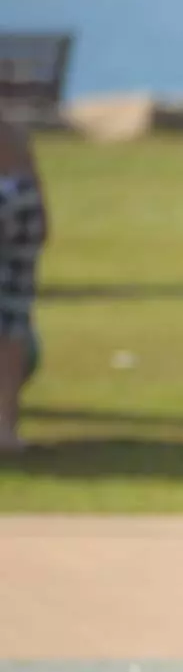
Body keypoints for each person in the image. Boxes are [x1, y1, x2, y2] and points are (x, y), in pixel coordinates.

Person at [0, 117, 45, 454]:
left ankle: (4, 427)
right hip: (22, 194)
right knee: (12, 320)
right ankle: (5, 426)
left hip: (16, 197)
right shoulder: (13, 133)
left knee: (11, 322)